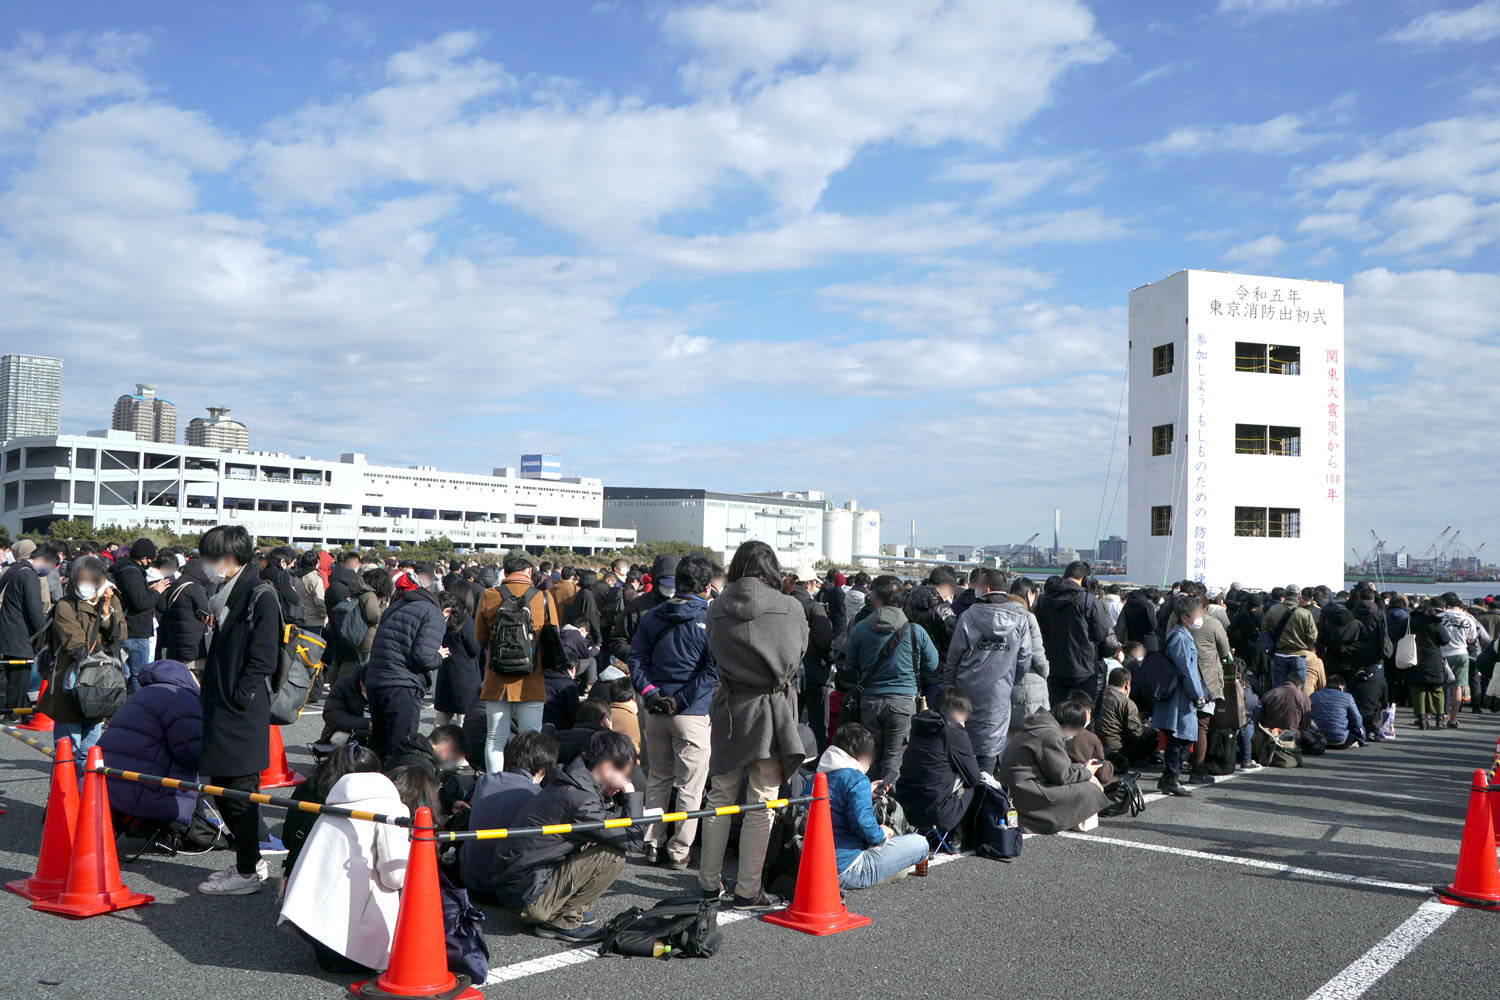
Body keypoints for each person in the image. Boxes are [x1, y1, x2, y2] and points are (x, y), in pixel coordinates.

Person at [699, 540, 809, 911]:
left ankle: (708, 884)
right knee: (761, 803)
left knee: (719, 798)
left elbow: (713, 652)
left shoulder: (717, 609)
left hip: (730, 708)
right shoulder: (790, 607)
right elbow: (798, 655)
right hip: (771, 710)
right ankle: (748, 890)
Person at [490, 730, 646, 942]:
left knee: (595, 840)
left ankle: (560, 907)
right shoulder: (581, 799)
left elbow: (606, 822)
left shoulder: (570, 778)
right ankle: (562, 919)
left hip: (516, 884)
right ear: (607, 765)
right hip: (528, 897)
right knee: (613, 854)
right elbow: (632, 841)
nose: (624, 780)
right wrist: (629, 792)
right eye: (624, 774)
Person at [196, 525, 282, 895]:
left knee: (239, 791)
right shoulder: (226, 592)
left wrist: (240, 696)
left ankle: (247, 871)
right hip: (223, 704)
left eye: (210, 556)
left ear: (229, 558)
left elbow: (264, 656)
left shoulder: (260, 595)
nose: (206, 564)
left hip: (240, 710)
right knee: (221, 787)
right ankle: (250, 862)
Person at [627, 554, 717, 870]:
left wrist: (651, 693)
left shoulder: (653, 615)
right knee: (690, 786)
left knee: (659, 778)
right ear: (707, 587)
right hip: (691, 711)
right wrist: (680, 700)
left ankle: (652, 844)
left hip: (655, 709)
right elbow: (711, 671)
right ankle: (680, 851)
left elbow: (635, 660)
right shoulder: (710, 619)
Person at [278, 767, 410, 973]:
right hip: (350, 927)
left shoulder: (336, 804)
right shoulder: (393, 810)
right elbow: (394, 876)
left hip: (309, 915)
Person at [842, 574, 939, 783]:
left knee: (869, 757)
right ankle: (891, 808)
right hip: (904, 703)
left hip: (870, 701)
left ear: (876, 598)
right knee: (896, 760)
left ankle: (869, 805)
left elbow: (851, 661)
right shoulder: (915, 631)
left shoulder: (860, 628)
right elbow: (932, 664)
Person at [37, 556, 125, 772]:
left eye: (90, 580)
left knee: (89, 752)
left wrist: (106, 615)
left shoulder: (111, 601)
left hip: (99, 687)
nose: (85, 585)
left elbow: (120, 634)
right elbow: (75, 644)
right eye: (80, 580)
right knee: (68, 753)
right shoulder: (65, 605)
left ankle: (86, 800)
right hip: (70, 683)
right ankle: (60, 802)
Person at [943, 568, 1032, 774]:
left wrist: (949, 687)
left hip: (965, 690)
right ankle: (984, 794)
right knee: (989, 750)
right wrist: (1009, 680)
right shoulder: (1020, 618)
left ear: (986, 588)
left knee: (960, 744)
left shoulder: (968, 616)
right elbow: (1024, 659)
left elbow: (954, 657)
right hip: (999, 691)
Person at [819, 723, 929, 889]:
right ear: (864, 756)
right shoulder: (856, 779)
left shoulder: (817, 778)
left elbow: (837, 804)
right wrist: (882, 833)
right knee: (920, 843)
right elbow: (863, 826)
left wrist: (866, 793)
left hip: (815, 867)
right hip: (847, 870)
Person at [475, 554, 558, 773]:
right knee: (531, 739)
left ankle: (494, 784)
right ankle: (527, 785)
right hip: (531, 678)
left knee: (495, 738)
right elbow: (554, 637)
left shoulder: (489, 595)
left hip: (496, 679)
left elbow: (479, 638)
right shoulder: (544, 597)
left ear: (506, 570)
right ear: (530, 570)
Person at [98, 658, 202, 831]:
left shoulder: (143, 693)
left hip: (107, 785)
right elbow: (191, 754)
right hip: (142, 792)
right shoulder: (182, 698)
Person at [459, 730, 557, 898]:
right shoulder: (535, 796)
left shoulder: (486, 780)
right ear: (542, 769)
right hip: (504, 889)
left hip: (470, 880)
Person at [364, 573, 448, 759]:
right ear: (447, 610)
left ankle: (376, 783)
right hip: (402, 684)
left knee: (380, 743)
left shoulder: (394, 608)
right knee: (402, 746)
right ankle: (400, 785)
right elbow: (423, 658)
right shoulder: (433, 613)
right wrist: (439, 656)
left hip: (376, 680)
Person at [281, 740, 383, 882]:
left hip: (297, 873)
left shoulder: (305, 789)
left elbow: (287, 839)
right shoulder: (365, 806)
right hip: (344, 881)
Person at [997, 705, 1110, 834]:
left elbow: (1057, 769)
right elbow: (1063, 776)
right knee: (1090, 789)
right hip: (1028, 791)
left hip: (1018, 787)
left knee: (1083, 782)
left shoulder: (1038, 726)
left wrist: (1082, 768)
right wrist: (1087, 771)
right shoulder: (1051, 735)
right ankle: (1062, 822)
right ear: (1070, 725)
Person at [894, 689, 986, 838]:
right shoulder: (954, 732)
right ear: (956, 710)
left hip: (906, 807)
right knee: (974, 785)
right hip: (937, 814)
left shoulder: (918, 725)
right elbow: (974, 777)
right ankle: (958, 838)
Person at [1034, 561, 1114, 706]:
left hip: (1053, 667)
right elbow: (1102, 633)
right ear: (1085, 579)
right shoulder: (1088, 600)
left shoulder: (1043, 600)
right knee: (1083, 717)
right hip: (1084, 670)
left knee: (1057, 717)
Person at [1152, 597, 1208, 798]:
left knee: (1183, 737)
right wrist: (1198, 695)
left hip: (1181, 694)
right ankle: (1170, 779)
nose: (1200, 618)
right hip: (1181, 695)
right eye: (1197, 615)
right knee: (1181, 738)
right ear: (1185, 617)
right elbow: (1187, 670)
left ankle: (1169, 778)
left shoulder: (1179, 635)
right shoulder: (1181, 638)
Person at [0, 541, 57, 714]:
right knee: (19, 676)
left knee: (7, 674)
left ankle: (8, 709)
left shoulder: (13, 570)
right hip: (20, 633)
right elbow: (34, 609)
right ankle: (14, 713)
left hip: (7, 629)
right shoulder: (30, 576)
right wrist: (43, 632)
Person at [112, 538, 168, 696]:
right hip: (136, 630)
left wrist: (147, 590)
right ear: (144, 558)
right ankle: (139, 709)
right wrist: (157, 591)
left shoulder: (122, 570)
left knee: (127, 673)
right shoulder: (131, 572)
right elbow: (140, 603)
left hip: (125, 628)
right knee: (139, 675)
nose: (151, 562)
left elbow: (134, 596)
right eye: (150, 559)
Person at [789, 572, 836, 754]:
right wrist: (829, 659)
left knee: (791, 721)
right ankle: (817, 761)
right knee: (818, 723)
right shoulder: (813, 607)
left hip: (789, 673)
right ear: (809, 584)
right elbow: (824, 639)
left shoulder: (784, 604)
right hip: (814, 672)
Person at [1005, 577, 1051, 733]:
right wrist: (1045, 671)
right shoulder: (1028, 617)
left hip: (1002, 680)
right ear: (1030, 594)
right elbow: (1037, 653)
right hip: (1028, 683)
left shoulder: (999, 613)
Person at [1263, 584, 1324, 694]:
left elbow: (1264, 629)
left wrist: (1271, 644)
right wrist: (1305, 644)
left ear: (1285, 595)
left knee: (1279, 691)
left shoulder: (1273, 610)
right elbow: (1313, 637)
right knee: (1299, 691)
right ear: (1299, 597)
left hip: (1279, 654)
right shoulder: (1304, 613)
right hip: (1299, 655)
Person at [434, 588, 480, 727]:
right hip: (466, 677)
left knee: (440, 725)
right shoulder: (467, 622)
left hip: (445, 675)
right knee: (464, 725)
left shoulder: (438, 622)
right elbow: (474, 649)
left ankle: (434, 748)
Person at [157, 557, 211, 677]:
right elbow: (208, 612)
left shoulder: (176, 584)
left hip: (176, 644)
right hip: (194, 647)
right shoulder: (195, 588)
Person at [1095, 666, 1159, 766]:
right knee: (1153, 734)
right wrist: (1147, 728)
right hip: (1116, 749)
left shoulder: (1098, 696)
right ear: (1127, 684)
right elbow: (1136, 733)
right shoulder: (1126, 703)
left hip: (1098, 746)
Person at [1408, 600, 1453, 730]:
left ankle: (1422, 720)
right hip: (1434, 660)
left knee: (1418, 690)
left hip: (1414, 659)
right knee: (1437, 690)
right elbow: (1445, 640)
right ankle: (1439, 719)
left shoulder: (1410, 623)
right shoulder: (1435, 624)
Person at [1438, 594, 1480, 728]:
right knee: (1457, 687)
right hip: (1461, 654)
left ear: (1447, 604)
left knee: (1440, 686)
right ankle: (1453, 719)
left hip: (1442, 654)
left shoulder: (1440, 617)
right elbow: (1472, 639)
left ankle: (1440, 715)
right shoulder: (1468, 619)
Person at [1055, 694, 1115, 788]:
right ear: (1085, 712)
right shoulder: (1090, 738)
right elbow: (1103, 775)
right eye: (1089, 712)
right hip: (1081, 783)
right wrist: (1109, 765)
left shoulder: (1055, 732)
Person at [1310, 675, 1365, 750]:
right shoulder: (1347, 697)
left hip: (1317, 740)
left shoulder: (1314, 695)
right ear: (1342, 686)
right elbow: (1357, 720)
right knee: (1360, 725)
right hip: (1340, 741)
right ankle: (1359, 741)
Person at [318, 665, 369, 746]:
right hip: (351, 729)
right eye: (368, 688)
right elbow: (331, 714)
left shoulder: (389, 688)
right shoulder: (345, 683)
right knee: (337, 739)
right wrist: (366, 724)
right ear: (360, 682)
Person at [295, 551, 327, 637]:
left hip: (299, 617)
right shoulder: (315, 578)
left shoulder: (298, 576)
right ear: (317, 562)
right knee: (312, 648)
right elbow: (319, 600)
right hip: (314, 620)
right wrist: (324, 616)